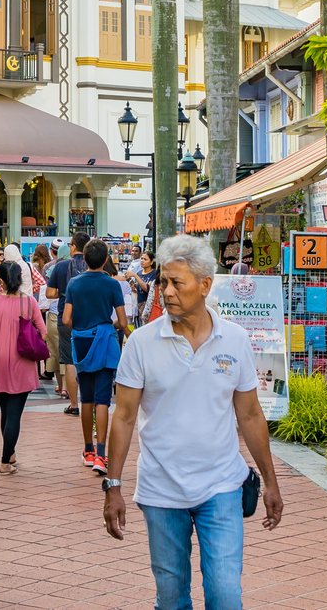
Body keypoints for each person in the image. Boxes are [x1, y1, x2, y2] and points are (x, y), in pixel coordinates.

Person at [103, 234, 284, 610]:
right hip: (161, 490)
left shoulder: (233, 339)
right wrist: (113, 485)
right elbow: (123, 416)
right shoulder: (141, 343)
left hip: (221, 486)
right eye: (162, 282)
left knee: (225, 595)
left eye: (176, 283)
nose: (166, 291)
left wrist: (271, 481)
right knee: (171, 597)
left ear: (204, 285)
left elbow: (250, 414)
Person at [64, 239, 128, 475]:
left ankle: (88, 450)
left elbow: (66, 319)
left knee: (86, 398)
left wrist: (81, 327)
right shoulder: (112, 285)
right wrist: (108, 325)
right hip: (104, 341)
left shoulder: (74, 283)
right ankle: (102, 454)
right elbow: (123, 321)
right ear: (105, 260)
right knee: (103, 399)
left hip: (81, 341)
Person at [0, 260, 45, 474]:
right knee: (15, 414)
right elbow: (43, 332)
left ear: (2, 280)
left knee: (6, 412)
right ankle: (5, 460)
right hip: (23, 362)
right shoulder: (29, 302)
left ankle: (11, 453)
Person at [46, 233, 90, 416]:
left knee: (70, 361)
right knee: (89, 360)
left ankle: (74, 404)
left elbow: (49, 293)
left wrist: (63, 294)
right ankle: (90, 401)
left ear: (72, 247)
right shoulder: (93, 265)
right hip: (90, 318)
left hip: (67, 317)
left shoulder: (61, 266)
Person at [31, 247, 58, 382]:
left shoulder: (35, 266)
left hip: (37, 304)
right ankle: (49, 369)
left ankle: (38, 371)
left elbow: (40, 285)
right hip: (48, 305)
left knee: (36, 338)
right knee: (46, 338)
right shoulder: (49, 265)